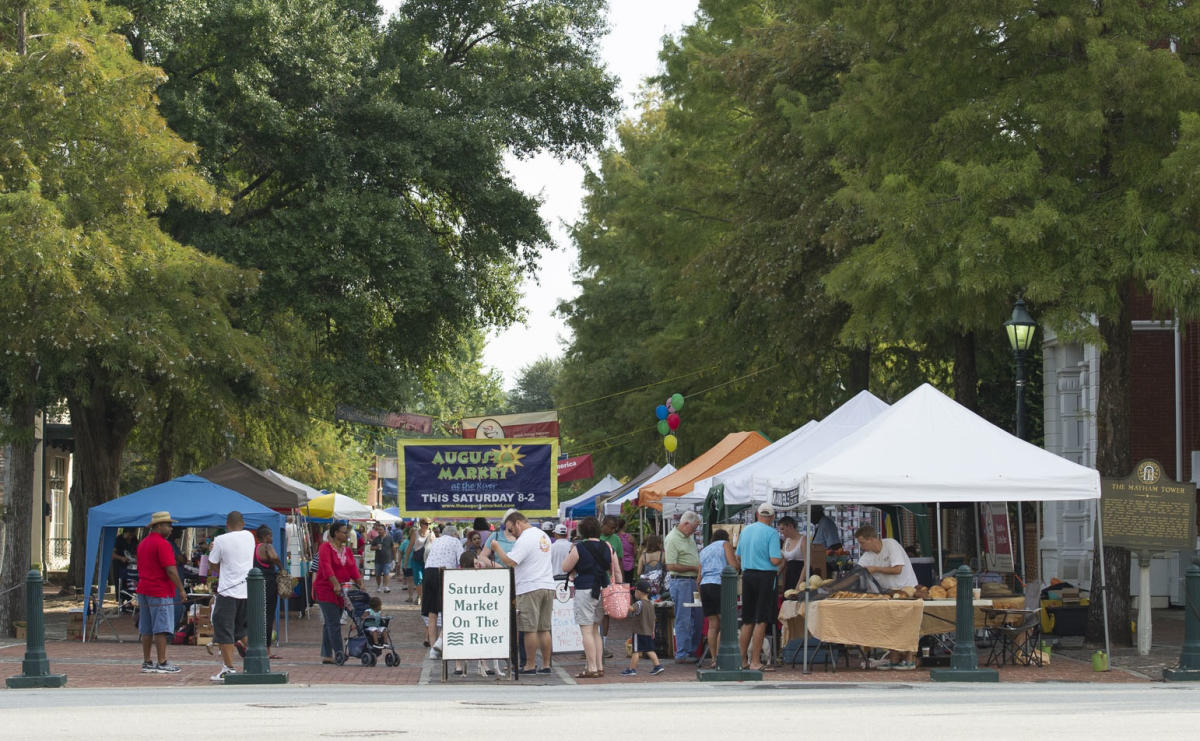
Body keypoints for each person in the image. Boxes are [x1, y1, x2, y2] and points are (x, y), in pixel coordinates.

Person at [484, 511, 556, 674]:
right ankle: (546, 665)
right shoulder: (543, 535)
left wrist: (497, 548)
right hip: (547, 585)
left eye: (511, 529)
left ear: (518, 523)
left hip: (529, 587)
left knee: (529, 629)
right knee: (544, 628)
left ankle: (530, 665)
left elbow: (510, 562)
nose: (511, 533)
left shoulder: (525, 538)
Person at [559, 516, 619, 678]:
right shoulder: (608, 546)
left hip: (585, 589)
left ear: (583, 531)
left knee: (586, 630)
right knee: (595, 629)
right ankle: (599, 666)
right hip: (603, 589)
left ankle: (591, 668)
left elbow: (565, 567)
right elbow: (617, 571)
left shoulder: (579, 548)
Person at [854, 523, 918, 670]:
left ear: (872, 539)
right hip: (888, 594)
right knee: (891, 624)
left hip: (906, 590)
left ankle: (910, 658)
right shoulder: (867, 556)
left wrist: (876, 569)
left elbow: (898, 569)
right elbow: (857, 572)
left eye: (862, 543)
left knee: (908, 623)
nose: (861, 547)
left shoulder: (891, 545)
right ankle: (894, 657)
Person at [207, 511, 257, 682]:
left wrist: (214, 552)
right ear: (243, 523)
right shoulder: (249, 537)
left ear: (227, 525)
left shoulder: (220, 540)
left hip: (228, 591)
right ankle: (257, 661)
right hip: (246, 591)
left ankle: (228, 668)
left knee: (224, 629)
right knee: (241, 630)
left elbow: (212, 562)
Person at [136, 511, 186, 673]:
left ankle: (147, 661)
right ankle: (162, 662)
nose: (171, 529)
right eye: (168, 525)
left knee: (146, 628)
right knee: (161, 628)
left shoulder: (143, 543)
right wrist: (181, 589)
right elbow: (171, 570)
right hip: (160, 589)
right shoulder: (163, 544)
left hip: (143, 589)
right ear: (158, 526)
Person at [736, 503, 783, 671]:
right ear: (772, 517)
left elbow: (738, 556)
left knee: (747, 619)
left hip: (747, 575)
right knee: (761, 619)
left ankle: (742, 660)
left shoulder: (746, 530)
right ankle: (755, 661)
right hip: (765, 577)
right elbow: (774, 560)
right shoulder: (772, 533)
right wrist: (782, 557)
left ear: (757, 514)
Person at [314, 521, 363, 664]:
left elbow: (352, 568)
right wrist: (335, 583)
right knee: (334, 622)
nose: (346, 534)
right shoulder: (325, 547)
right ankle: (339, 652)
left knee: (330, 622)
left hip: (342, 590)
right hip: (326, 589)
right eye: (344, 532)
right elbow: (326, 566)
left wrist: (360, 583)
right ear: (336, 533)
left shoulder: (347, 550)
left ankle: (327, 655)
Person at [664, 510, 702, 663]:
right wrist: (693, 568)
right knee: (684, 617)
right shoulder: (672, 538)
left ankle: (691, 650)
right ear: (685, 523)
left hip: (692, 581)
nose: (694, 531)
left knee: (697, 617)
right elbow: (671, 565)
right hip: (682, 582)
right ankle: (682, 653)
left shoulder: (688, 537)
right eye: (693, 528)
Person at [698, 529, 739, 668]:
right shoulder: (725, 544)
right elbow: (733, 566)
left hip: (705, 586)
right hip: (719, 584)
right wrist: (738, 564)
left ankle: (714, 658)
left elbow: (699, 577)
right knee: (725, 622)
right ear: (726, 538)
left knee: (712, 625)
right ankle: (723, 657)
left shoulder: (704, 550)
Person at [422, 524, 464, 655]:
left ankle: (433, 649)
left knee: (432, 612)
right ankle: (440, 642)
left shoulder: (436, 541)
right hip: (444, 572)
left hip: (428, 572)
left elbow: (427, 556)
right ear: (455, 534)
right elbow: (462, 560)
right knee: (449, 609)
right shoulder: (455, 541)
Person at [621, 580, 665, 676]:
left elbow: (631, 609)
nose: (635, 593)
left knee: (636, 651)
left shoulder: (639, 603)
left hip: (639, 631)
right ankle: (658, 666)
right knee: (649, 650)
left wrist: (623, 602)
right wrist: (652, 631)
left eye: (635, 591)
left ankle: (632, 669)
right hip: (648, 632)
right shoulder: (651, 604)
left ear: (639, 592)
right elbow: (653, 619)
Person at [254, 524, 284, 659]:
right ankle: (267, 650)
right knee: (268, 616)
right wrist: (281, 568)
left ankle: (254, 645)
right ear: (265, 537)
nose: (272, 538)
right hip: (269, 583)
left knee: (258, 615)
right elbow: (275, 557)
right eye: (270, 536)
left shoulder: (255, 548)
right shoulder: (267, 546)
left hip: (256, 584)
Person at [404, 518, 432, 604]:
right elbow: (409, 547)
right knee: (418, 578)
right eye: (426, 523)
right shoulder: (415, 533)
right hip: (417, 559)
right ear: (421, 524)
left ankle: (422, 595)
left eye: (429, 523)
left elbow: (434, 547)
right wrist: (405, 561)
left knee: (426, 579)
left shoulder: (431, 533)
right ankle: (420, 596)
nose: (428, 525)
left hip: (427, 560)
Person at [809, 506, 842, 576]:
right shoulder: (820, 524)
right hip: (819, 563)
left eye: (810, 514)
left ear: (816, 513)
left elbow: (835, 545)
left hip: (826, 565)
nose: (810, 519)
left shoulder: (826, 523)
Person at [778, 516, 807, 591]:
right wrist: (775, 575)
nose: (781, 532)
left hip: (801, 575)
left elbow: (807, 564)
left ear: (790, 526)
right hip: (790, 576)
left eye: (782, 529)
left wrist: (799, 584)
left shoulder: (803, 540)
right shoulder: (786, 541)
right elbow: (783, 562)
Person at [370, 523, 395, 593]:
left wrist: (394, 559)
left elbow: (393, 548)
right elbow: (371, 548)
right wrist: (376, 547)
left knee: (386, 573)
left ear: (384, 530)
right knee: (378, 574)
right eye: (378, 530)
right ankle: (378, 586)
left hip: (387, 559)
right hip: (378, 560)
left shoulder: (389, 538)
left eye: (381, 530)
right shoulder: (376, 539)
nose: (379, 531)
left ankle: (386, 586)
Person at [112, 529, 136, 600]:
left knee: (129, 582)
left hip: (130, 565)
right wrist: (121, 558)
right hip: (119, 565)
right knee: (119, 583)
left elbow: (137, 550)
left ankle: (129, 600)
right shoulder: (118, 540)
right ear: (125, 533)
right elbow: (112, 554)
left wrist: (134, 556)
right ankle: (121, 600)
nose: (130, 537)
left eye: (132, 535)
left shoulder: (134, 539)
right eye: (129, 535)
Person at [616, 518, 636, 584]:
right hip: (630, 564)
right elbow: (635, 553)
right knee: (629, 584)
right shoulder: (630, 537)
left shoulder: (614, 538)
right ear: (624, 526)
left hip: (618, 565)